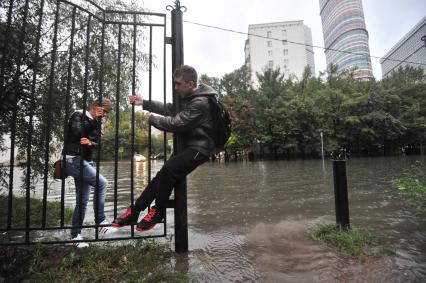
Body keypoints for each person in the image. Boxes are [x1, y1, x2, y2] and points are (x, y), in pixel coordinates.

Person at [112, 65, 217, 232]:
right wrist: (144, 103)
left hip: (200, 147)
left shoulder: (200, 102)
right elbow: (170, 109)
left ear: (190, 84)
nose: (175, 88)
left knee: (169, 169)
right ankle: (135, 210)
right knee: (161, 176)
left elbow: (176, 123)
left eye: (178, 84)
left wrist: (151, 119)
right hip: (188, 144)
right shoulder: (191, 96)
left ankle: (158, 211)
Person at [64, 98, 116, 247]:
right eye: (103, 111)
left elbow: (97, 143)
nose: (104, 114)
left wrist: (90, 143)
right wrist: (94, 122)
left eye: (106, 112)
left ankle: (75, 236)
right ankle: (101, 222)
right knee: (102, 183)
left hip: (86, 161)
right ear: (95, 106)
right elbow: (77, 132)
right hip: (73, 159)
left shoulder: (95, 122)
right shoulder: (78, 115)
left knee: (82, 201)